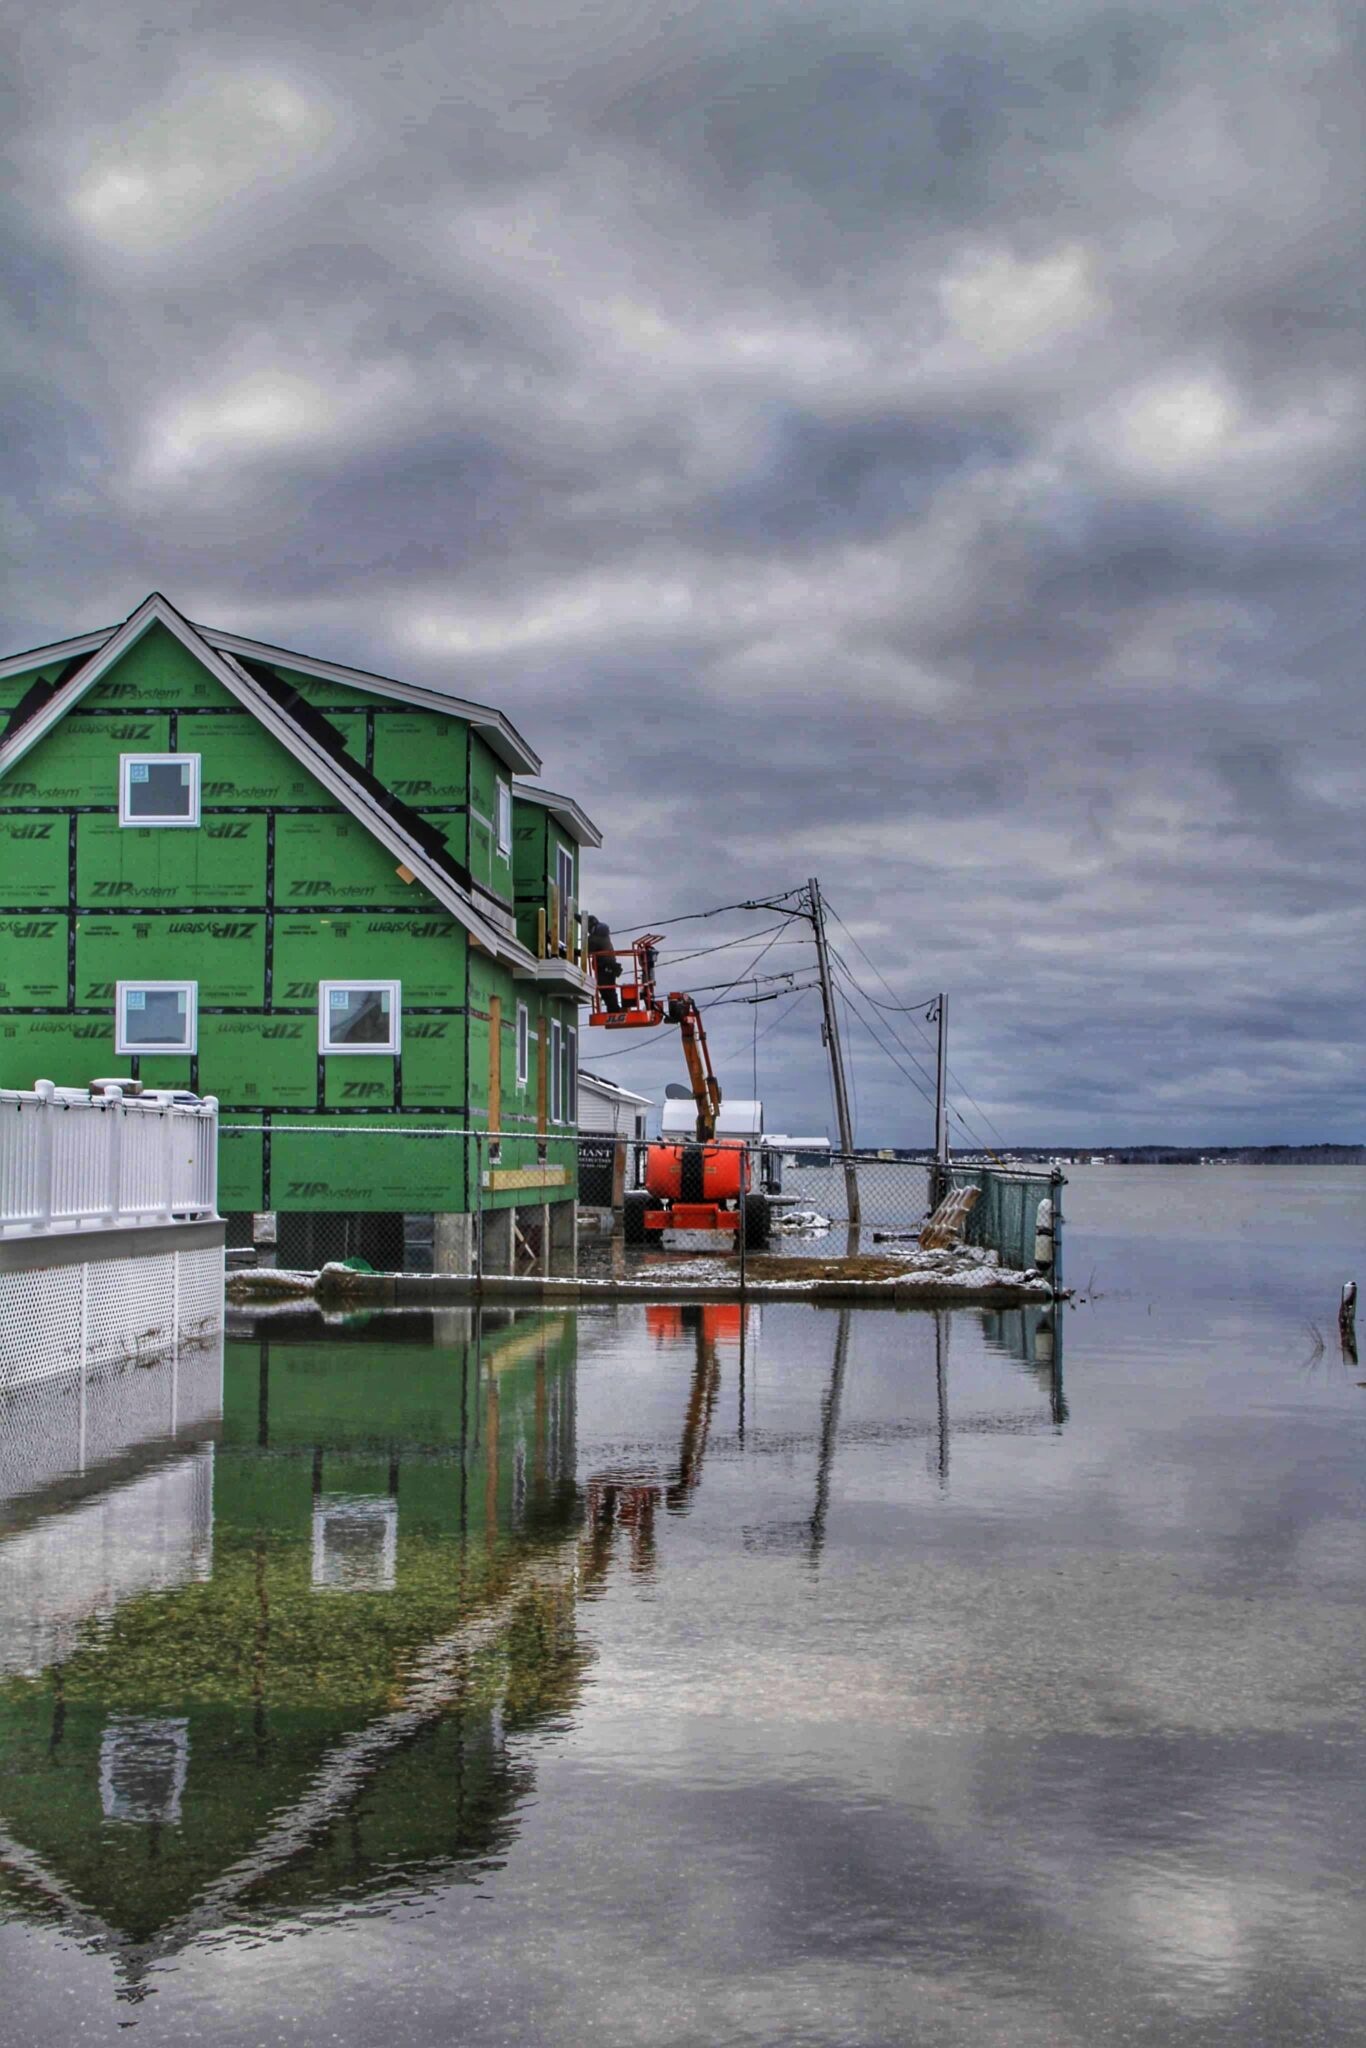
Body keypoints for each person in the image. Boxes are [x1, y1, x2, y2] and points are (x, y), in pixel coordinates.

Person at [586, 914, 622, 1013]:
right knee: (610, 990)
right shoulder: (603, 935)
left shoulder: (594, 939)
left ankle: (614, 1011)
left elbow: (585, 952)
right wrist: (573, 915)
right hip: (610, 967)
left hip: (604, 968)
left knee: (606, 991)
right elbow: (584, 921)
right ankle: (614, 1009)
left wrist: (568, 950)